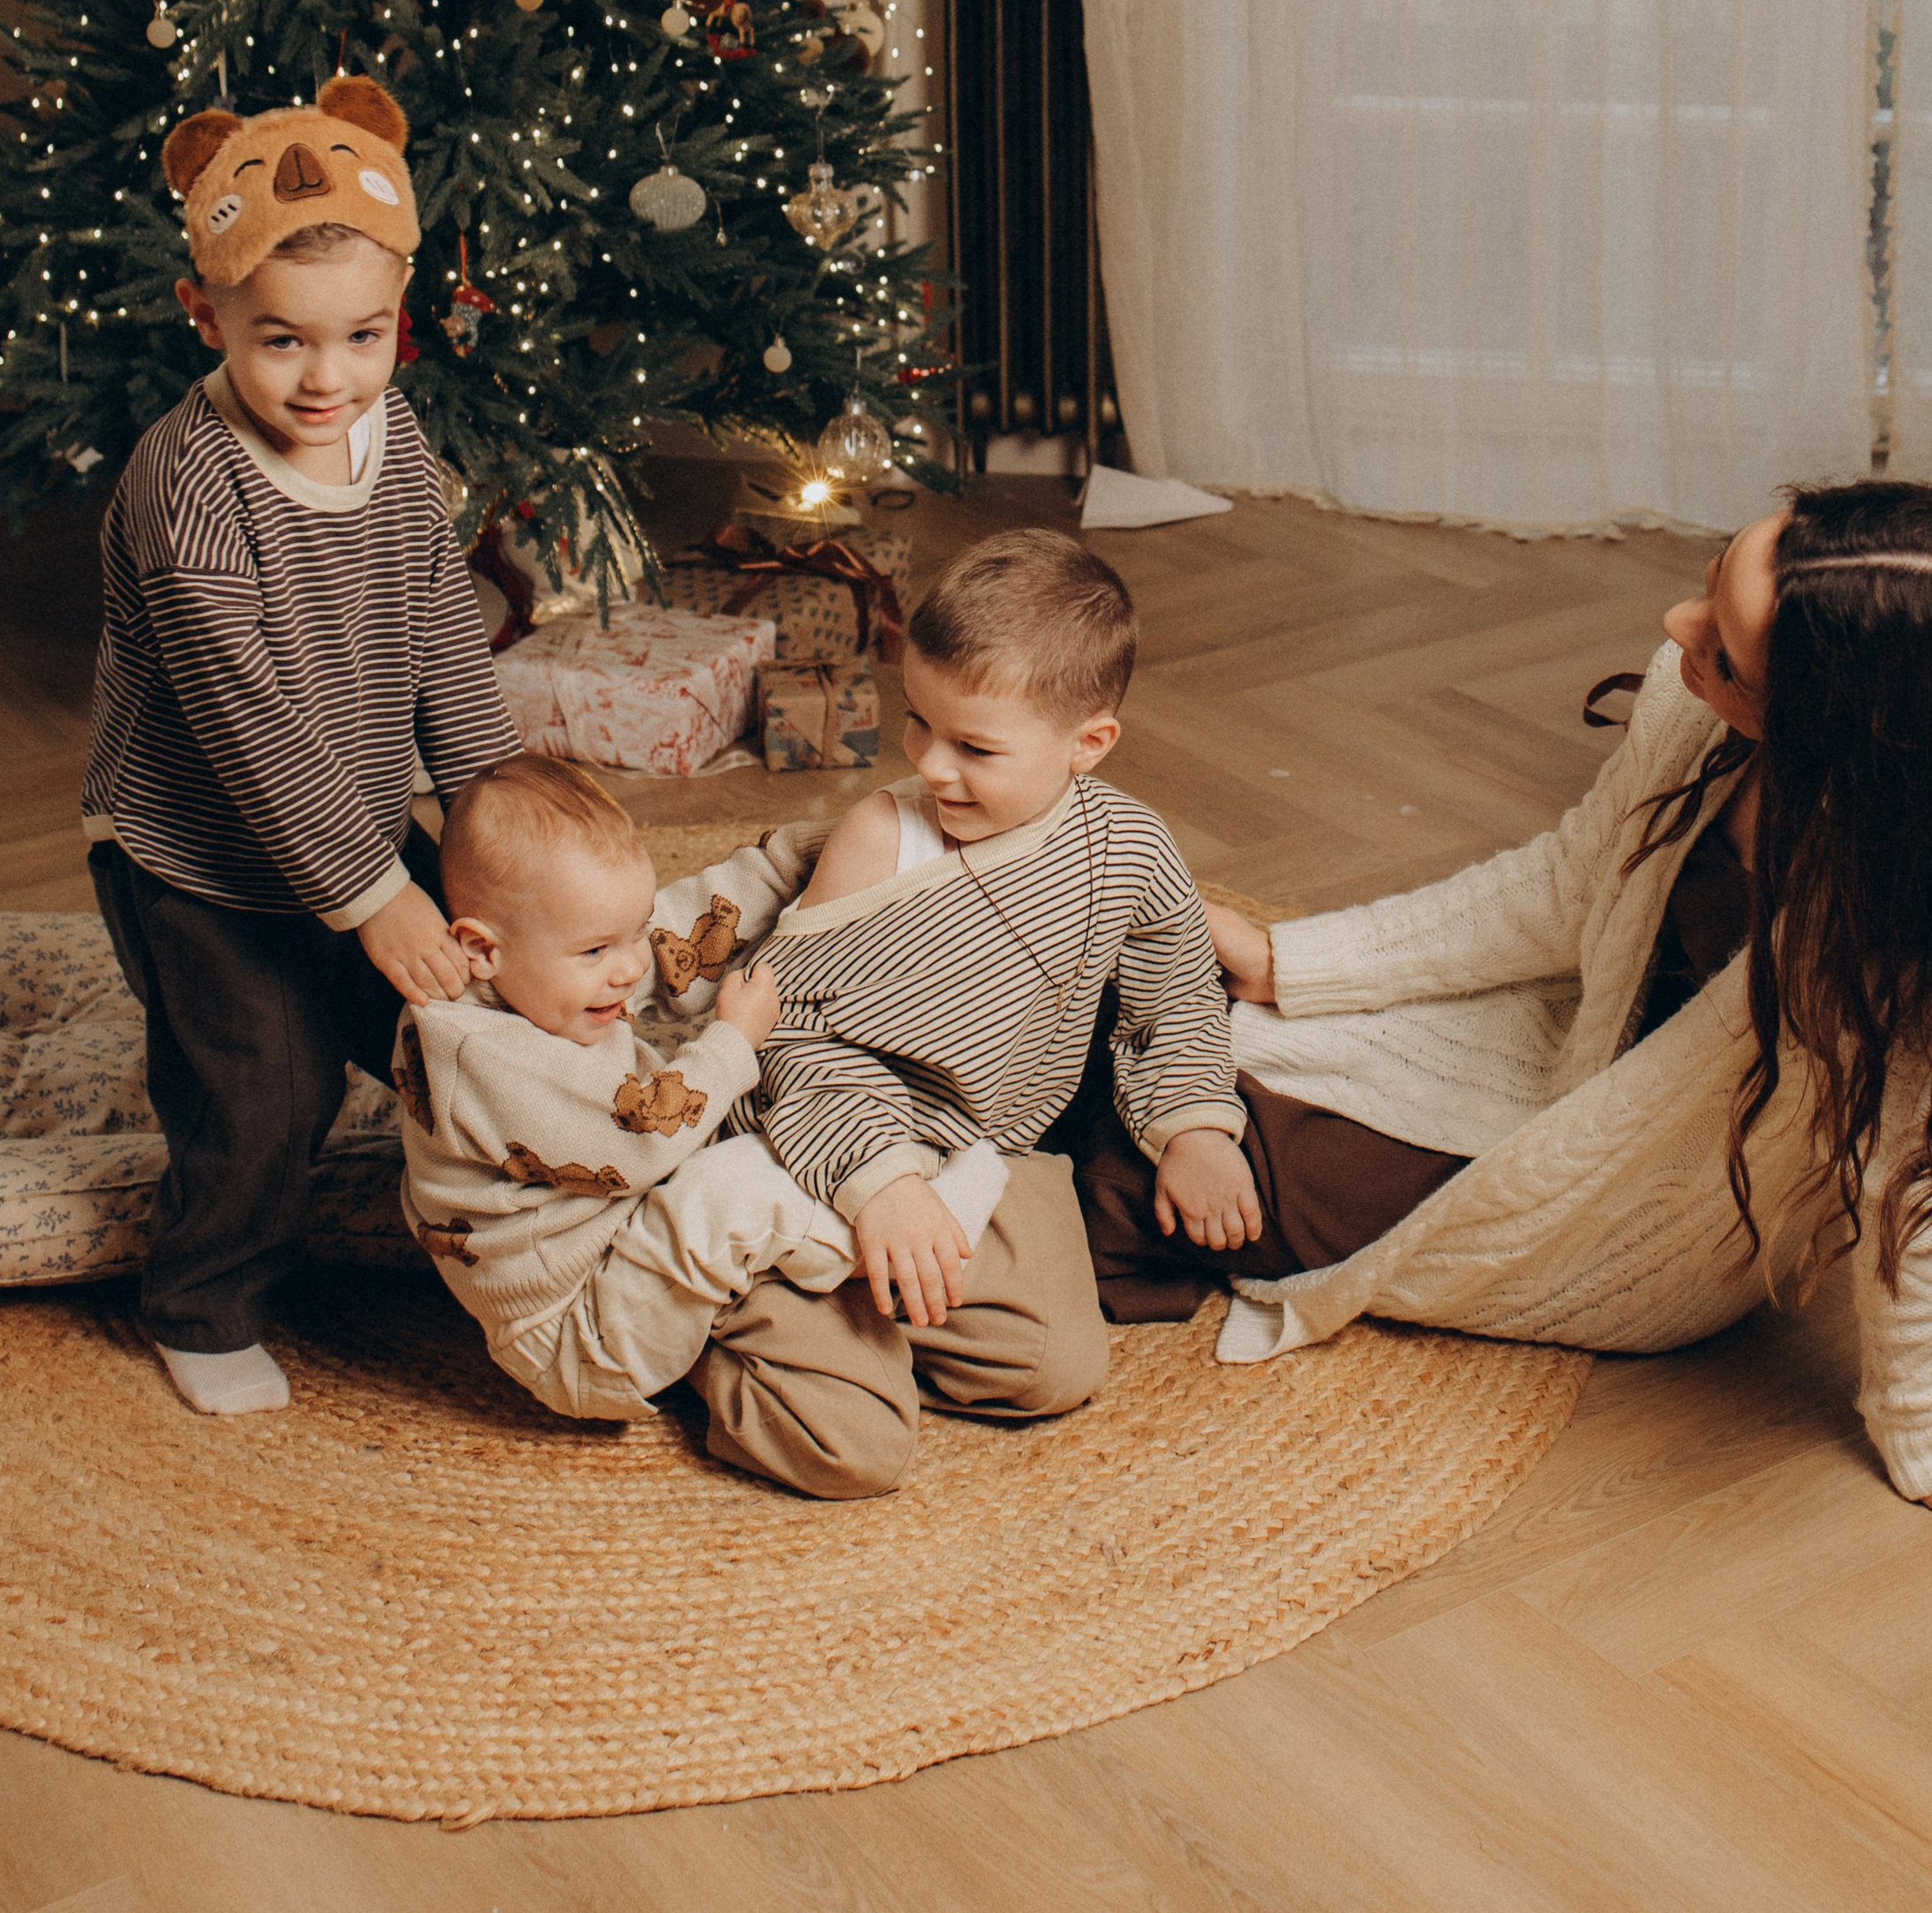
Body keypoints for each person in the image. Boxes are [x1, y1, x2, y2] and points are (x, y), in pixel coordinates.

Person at [1078, 480, 1932, 1559]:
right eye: (1709, 579)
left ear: (1836, 734)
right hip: (1582, 1034)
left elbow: (1914, 1168)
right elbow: (1569, 885)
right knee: (1139, 991)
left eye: (1722, 651)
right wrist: (1293, 960)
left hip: (1659, 1179)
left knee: (1186, 1163)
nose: (1676, 625)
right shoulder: (1694, 708)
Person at [84, 77, 522, 1415]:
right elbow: (251, 728)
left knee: (479, 1015)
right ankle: (204, 1298)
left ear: (401, 312)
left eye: (363, 337)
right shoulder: (189, 486)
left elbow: (440, 624)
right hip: (200, 851)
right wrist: (377, 898)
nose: (327, 378)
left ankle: (500, 1224)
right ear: (205, 314)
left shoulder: (393, 439)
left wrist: (490, 817)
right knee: (263, 1093)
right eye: (281, 341)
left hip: (353, 809)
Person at [701, 527, 1249, 1499]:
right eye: (919, 723)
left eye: (975, 747)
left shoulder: (1130, 848)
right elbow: (789, 1026)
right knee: (847, 1446)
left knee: (1054, 1367)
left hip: (982, 1152)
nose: (932, 765)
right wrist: (880, 1184)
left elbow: (1174, 998)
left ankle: (868, 1301)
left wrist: (1196, 1127)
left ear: (1088, 744)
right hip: (826, 1137)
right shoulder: (883, 836)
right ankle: (724, 1303)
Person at [394, 752, 915, 1419]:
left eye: (634, 929)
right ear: (482, 951)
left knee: (728, 1150)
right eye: (596, 950)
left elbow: (684, 932)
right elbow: (639, 1139)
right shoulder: (480, 1056)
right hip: (576, 1328)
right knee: (734, 1187)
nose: (631, 964)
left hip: (616, 1244)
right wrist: (731, 1041)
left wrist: (797, 857)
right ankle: (889, 1243)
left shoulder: (542, 969)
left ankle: (768, 1293)